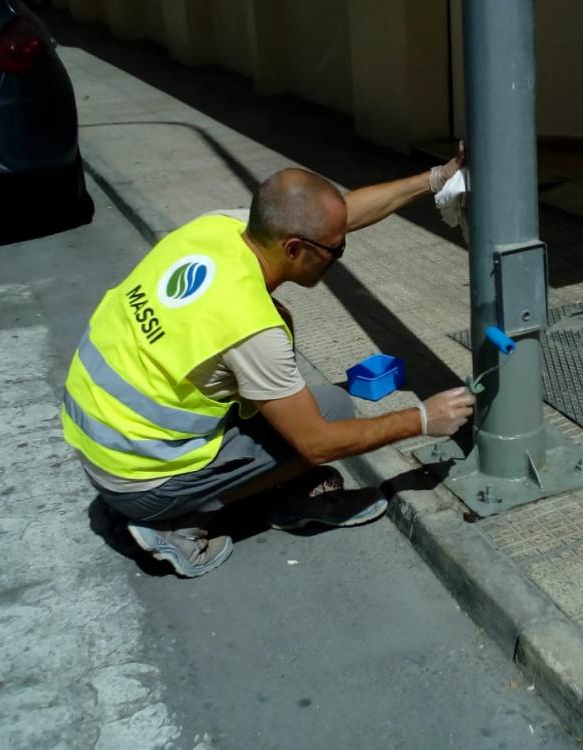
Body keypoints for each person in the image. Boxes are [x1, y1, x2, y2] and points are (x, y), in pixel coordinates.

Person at [61, 155, 474, 578]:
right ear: (294, 249)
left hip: (100, 441)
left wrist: (436, 178)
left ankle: (249, 488)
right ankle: (179, 523)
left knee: (312, 400)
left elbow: (337, 217)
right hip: (140, 484)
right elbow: (319, 444)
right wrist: (423, 418)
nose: (340, 255)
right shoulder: (252, 327)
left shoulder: (217, 228)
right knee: (328, 417)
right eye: (337, 249)